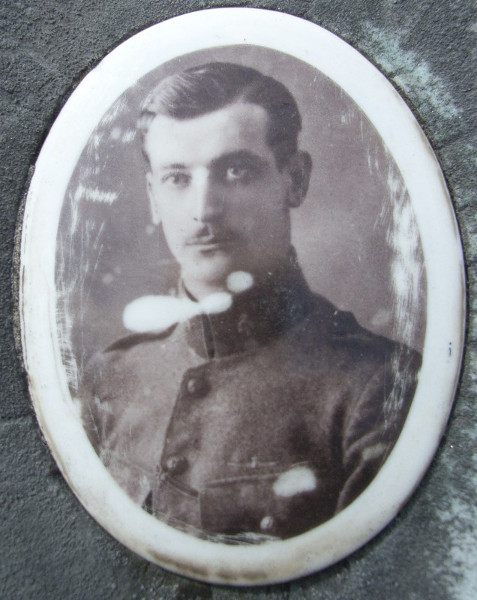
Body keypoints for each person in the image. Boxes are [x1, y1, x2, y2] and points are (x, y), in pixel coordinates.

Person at [82, 62, 421, 542]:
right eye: (177, 178)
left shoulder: (378, 390)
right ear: (153, 197)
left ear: (295, 179)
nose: (203, 210)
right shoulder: (112, 378)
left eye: (236, 170)